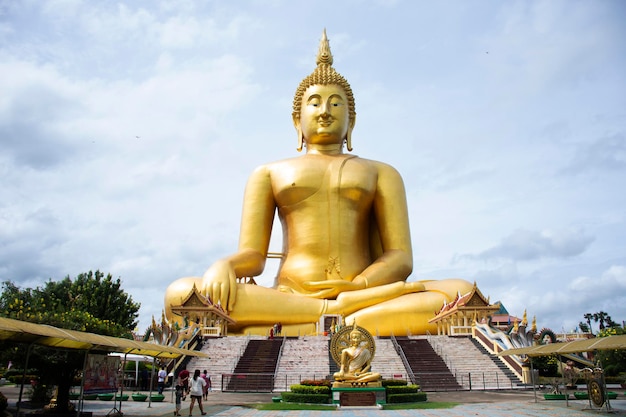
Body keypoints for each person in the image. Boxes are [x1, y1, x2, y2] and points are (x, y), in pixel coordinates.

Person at [164, 30, 473, 336]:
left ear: (352, 121)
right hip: (289, 297)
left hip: (364, 294)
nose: (325, 111)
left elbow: (400, 258)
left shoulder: (382, 173)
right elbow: (254, 257)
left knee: (460, 291)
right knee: (180, 294)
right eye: (315, 103)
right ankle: (333, 317)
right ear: (297, 119)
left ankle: (299, 326)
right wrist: (225, 265)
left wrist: (357, 286)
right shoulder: (269, 172)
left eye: (336, 104)